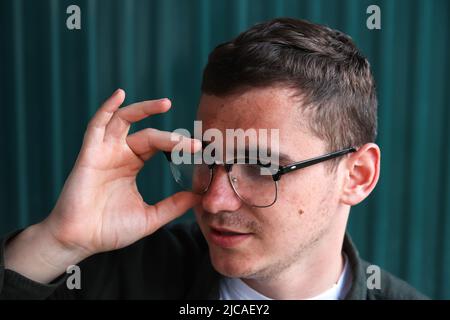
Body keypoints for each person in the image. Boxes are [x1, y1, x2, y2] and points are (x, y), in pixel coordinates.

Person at [0, 18, 426, 300]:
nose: (215, 199)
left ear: (357, 175)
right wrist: (60, 241)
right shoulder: (122, 276)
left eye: (261, 167)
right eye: (208, 157)